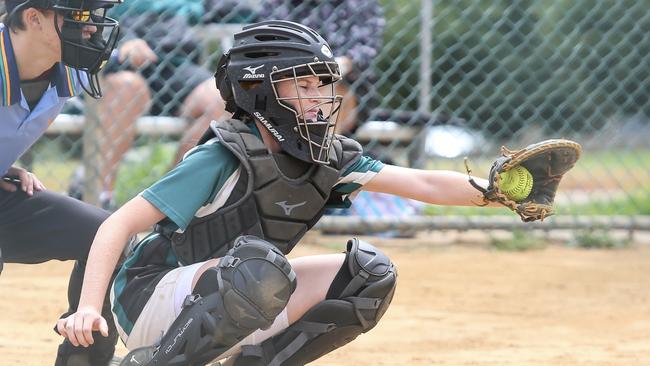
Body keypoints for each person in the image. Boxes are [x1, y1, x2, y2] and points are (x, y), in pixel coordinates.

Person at [56, 21, 499, 366]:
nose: (320, 97)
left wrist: (497, 191)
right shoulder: (223, 155)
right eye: (303, 86)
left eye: (323, 85)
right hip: (150, 299)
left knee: (368, 275)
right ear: (259, 90)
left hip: (239, 289)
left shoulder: (327, 155)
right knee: (259, 268)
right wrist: (89, 309)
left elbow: (421, 183)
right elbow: (119, 223)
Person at [0, 0, 126, 365]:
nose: (90, 27)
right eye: (77, 16)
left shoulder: (71, 70)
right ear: (33, 17)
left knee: (108, 235)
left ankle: (81, 359)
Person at [75, 0, 231, 208]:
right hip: (123, 60)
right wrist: (124, 40)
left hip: (176, 65)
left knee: (220, 98)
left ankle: (165, 199)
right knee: (127, 87)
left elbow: (230, 11)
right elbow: (87, 15)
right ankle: (100, 197)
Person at [257, 0, 385, 135]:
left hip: (345, 81)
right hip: (286, 74)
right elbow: (265, 43)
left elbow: (366, 49)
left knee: (326, 87)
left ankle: (322, 145)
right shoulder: (278, 3)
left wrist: (336, 66)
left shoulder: (360, 3)